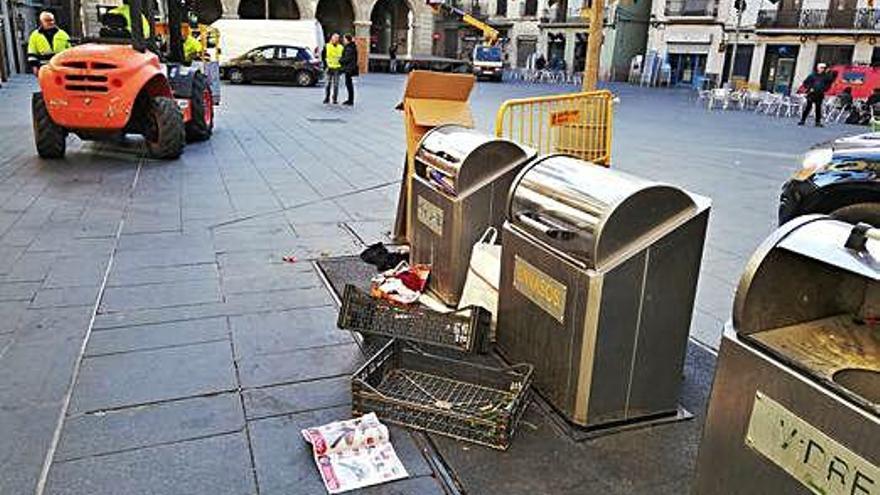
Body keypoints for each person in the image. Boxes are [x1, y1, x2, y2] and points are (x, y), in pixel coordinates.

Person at [798, 62, 837, 127]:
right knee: (808, 107)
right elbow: (805, 83)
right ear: (818, 68)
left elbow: (830, 82)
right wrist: (809, 88)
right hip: (811, 93)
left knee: (818, 108)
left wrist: (825, 89)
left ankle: (817, 122)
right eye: (821, 68)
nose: (823, 69)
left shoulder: (826, 76)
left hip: (820, 93)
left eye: (824, 68)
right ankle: (802, 120)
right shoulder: (812, 75)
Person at [322, 33, 343, 104]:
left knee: (336, 85)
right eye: (335, 38)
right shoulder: (327, 46)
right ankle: (327, 98)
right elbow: (323, 56)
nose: (336, 40)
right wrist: (325, 66)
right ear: (331, 38)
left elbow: (343, 58)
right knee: (327, 84)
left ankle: (334, 99)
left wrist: (342, 68)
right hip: (329, 67)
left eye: (337, 38)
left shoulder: (341, 47)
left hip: (337, 68)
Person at [340, 34, 359, 106]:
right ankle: (350, 99)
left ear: (347, 40)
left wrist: (340, 60)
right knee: (349, 84)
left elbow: (347, 58)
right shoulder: (352, 47)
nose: (343, 40)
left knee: (349, 84)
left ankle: (350, 100)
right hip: (350, 68)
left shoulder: (349, 48)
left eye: (344, 39)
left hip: (349, 68)